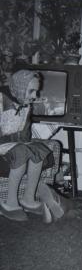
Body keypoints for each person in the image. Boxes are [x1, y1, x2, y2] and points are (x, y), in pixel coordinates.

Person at [0, 69, 55, 221]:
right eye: (31, 91)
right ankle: (9, 204)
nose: (35, 96)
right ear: (19, 88)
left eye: (36, 92)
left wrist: (28, 145)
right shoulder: (1, 100)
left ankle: (28, 199)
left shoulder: (25, 105)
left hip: (11, 145)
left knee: (37, 149)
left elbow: (24, 134)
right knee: (21, 151)